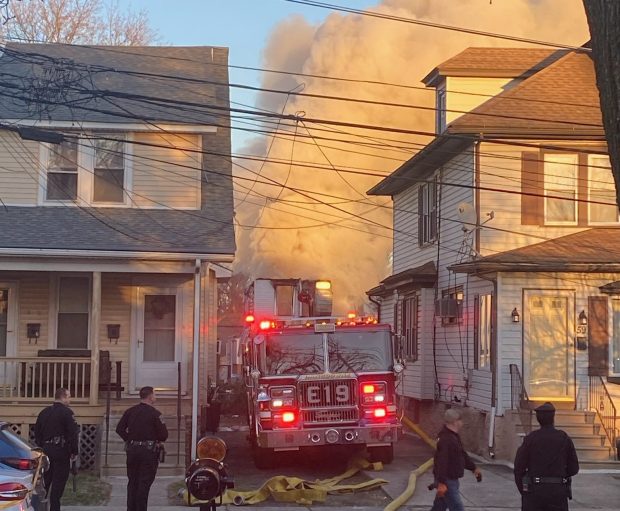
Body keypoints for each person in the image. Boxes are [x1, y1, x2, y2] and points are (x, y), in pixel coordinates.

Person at [514, 402, 579, 511]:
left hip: (534, 492)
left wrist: (525, 491)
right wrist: (559, 476)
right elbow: (574, 468)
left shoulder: (530, 439)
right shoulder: (564, 438)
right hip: (557, 493)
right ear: (553, 418)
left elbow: (518, 468)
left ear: (538, 419)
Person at [116, 386, 168, 511]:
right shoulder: (155, 414)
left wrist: (129, 439)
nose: (155, 397)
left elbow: (119, 429)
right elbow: (163, 435)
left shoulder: (130, 411)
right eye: (154, 394)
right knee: (143, 484)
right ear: (150, 397)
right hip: (148, 452)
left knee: (132, 482)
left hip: (132, 450)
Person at [34, 388, 80, 511]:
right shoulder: (67, 413)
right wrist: (74, 452)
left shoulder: (44, 412)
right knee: (58, 484)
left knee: (45, 482)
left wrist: (43, 446)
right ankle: (54, 508)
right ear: (63, 397)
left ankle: (40, 507)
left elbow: (37, 432)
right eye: (69, 396)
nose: (70, 399)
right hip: (61, 451)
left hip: (46, 450)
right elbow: (72, 434)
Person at [430, 408, 482, 511]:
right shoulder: (445, 439)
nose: (462, 422)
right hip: (447, 481)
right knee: (457, 507)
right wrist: (441, 483)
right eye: (460, 420)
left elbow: (462, 454)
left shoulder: (454, 437)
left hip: (452, 480)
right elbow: (441, 462)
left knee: (439, 508)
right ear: (455, 422)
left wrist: (473, 468)